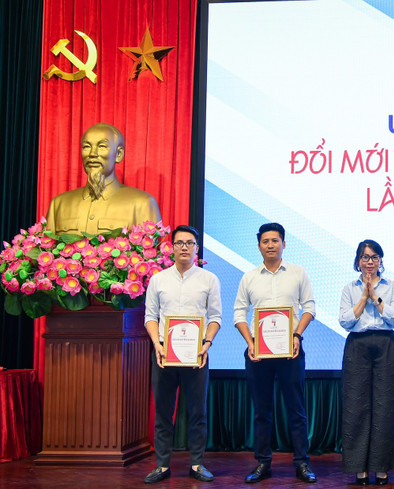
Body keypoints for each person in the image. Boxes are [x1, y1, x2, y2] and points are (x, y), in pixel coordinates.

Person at [234, 222, 317, 484]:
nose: (270, 245)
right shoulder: (249, 277)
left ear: (284, 244)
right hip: (258, 352)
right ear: (259, 245)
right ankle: (262, 463)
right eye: (265, 241)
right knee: (262, 410)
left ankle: (302, 463)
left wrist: (296, 336)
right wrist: (250, 342)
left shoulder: (297, 273)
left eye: (275, 240)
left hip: (291, 350)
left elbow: (310, 307)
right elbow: (239, 313)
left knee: (296, 409)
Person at [143, 225, 221, 484]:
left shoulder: (209, 279)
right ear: (172, 248)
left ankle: (197, 463)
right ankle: (162, 465)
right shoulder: (158, 279)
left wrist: (207, 343)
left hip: (196, 354)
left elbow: (216, 318)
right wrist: (157, 344)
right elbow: (150, 317)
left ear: (197, 248)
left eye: (189, 243)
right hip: (165, 353)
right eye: (179, 243)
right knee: (164, 412)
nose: (184, 247)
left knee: (197, 412)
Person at [339, 239, 394, 486]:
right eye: (365, 257)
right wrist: (363, 297)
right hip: (357, 346)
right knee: (356, 406)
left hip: (386, 345)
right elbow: (345, 321)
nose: (370, 262)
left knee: (385, 406)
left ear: (381, 261)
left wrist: (375, 296)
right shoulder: (349, 288)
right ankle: (360, 468)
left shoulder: (392, 286)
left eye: (374, 257)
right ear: (358, 261)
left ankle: (381, 467)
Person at [45, 122, 161, 234]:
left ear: (118, 154)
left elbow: (154, 251)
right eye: (86, 146)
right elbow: (45, 250)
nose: (92, 154)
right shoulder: (59, 204)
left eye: (102, 146)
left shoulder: (142, 204)